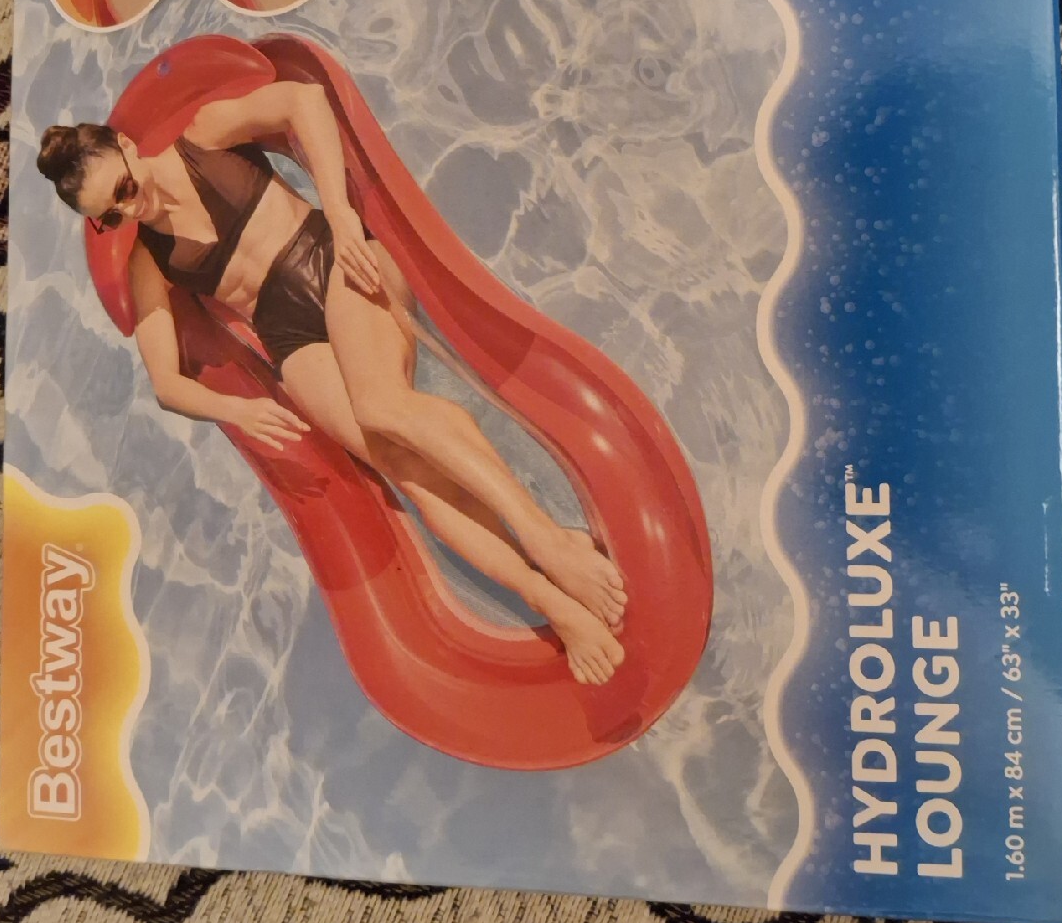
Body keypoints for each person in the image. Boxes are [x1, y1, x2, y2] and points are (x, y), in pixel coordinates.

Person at [37, 80, 626, 685]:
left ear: (127, 147)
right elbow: (165, 383)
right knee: (402, 467)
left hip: (331, 260)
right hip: (288, 334)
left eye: (124, 190)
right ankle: (546, 598)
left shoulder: (204, 137)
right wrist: (236, 411)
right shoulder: (150, 261)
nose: (130, 211)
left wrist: (341, 214)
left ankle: (547, 541)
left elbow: (304, 98)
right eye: (110, 216)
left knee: (380, 406)